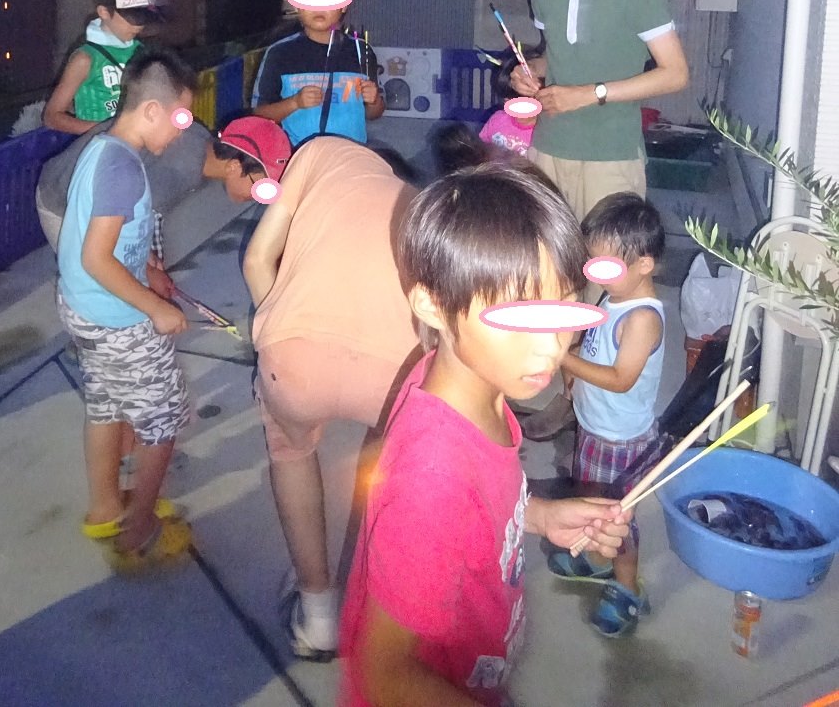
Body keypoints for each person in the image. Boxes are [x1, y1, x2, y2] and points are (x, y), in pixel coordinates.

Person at [339, 163, 631, 706]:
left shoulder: (476, 386)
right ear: (432, 303)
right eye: (517, 319)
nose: (551, 347)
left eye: (562, 308)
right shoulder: (431, 481)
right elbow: (387, 676)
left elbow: (478, 503)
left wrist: (537, 516)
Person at [206, 120, 420, 661]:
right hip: (395, 370)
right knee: (397, 471)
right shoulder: (418, 204)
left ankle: (319, 616)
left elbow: (257, 259)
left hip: (295, 363)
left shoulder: (319, 152)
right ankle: (389, 612)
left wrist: (272, 334)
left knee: (293, 454)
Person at [56, 48, 195, 567]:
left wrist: (147, 264)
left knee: (106, 406)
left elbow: (104, 237)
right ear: (152, 110)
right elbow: (96, 257)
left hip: (85, 311)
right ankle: (139, 532)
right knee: (162, 419)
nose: (182, 131)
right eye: (181, 118)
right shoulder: (124, 169)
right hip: (116, 319)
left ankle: (105, 508)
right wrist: (153, 306)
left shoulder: (103, 149)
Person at [510, 0, 689, 220]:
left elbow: (676, 74)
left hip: (611, 155)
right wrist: (531, 69)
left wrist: (590, 94)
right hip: (547, 149)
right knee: (546, 253)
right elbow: (557, 54)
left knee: (605, 256)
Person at [548, 192, 665, 638]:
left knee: (617, 520)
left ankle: (628, 587)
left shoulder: (642, 319)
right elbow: (593, 344)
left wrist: (563, 358)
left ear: (644, 264)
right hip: (596, 428)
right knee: (591, 501)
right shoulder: (612, 297)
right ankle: (597, 557)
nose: (595, 273)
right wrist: (574, 368)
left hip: (622, 440)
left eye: (606, 266)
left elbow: (620, 379)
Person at [252, 0, 383, 146]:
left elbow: (374, 113)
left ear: (344, 5)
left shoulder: (361, 51)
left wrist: (374, 101)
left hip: (350, 156)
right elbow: (259, 114)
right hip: (298, 156)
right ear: (296, 5)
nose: (319, 6)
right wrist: (295, 103)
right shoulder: (279, 53)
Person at [35, 116, 212, 255]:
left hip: (79, 185)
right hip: (61, 200)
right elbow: (108, 251)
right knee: (91, 277)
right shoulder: (186, 168)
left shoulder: (199, 136)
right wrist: (149, 270)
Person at [43, 0, 163, 136]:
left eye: (144, 15)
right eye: (131, 16)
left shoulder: (142, 51)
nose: (138, 25)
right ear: (104, 12)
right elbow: (51, 117)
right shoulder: (85, 59)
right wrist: (106, 130)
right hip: (100, 145)